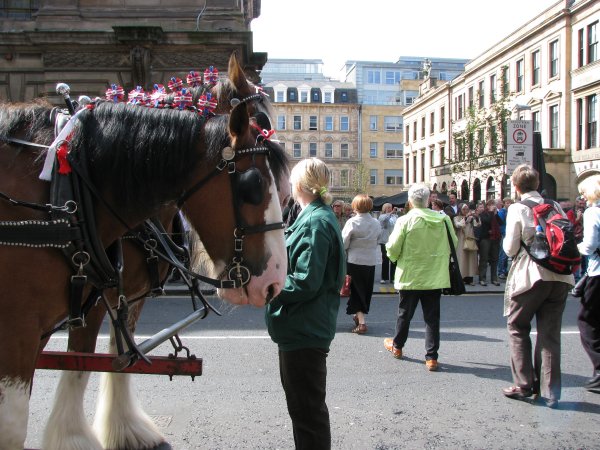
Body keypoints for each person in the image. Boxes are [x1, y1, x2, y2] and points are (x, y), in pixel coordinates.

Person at [265, 157, 346, 449]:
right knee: (305, 412)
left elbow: (306, 279)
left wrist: (269, 287)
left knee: (307, 413)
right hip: (302, 327)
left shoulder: (314, 220)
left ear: (298, 184)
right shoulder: (315, 216)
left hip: (304, 328)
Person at [502, 164, 574, 409]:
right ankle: (551, 392)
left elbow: (511, 248)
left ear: (516, 185)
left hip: (532, 275)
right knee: (550, 334)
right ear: (538, 183)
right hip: (561, 276)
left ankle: (524, 384)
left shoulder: (518, 208)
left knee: (517, 325)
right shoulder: (555, 206)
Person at [383, 183, 457, 371]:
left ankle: (398, 346)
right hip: (435, 275)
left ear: (409, 201)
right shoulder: (443, 220)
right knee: (432, 318)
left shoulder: (405, 220)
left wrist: (396, 258)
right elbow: (453, 244)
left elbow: (392, 248)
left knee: (404, 314)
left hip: (410, 274)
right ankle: (431, 357)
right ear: (428, 200)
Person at [342, 194, 382, 334]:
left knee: (356, 290)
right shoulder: (376, 223)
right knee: (365, 290)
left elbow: (344, 243)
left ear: (355, 206)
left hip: (355, 260)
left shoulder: (352, 222)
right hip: (370, 260)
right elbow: (378, 239)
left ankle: (362, 322)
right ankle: (358, 315)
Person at [575, 174, 600, 391]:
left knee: (587, 320)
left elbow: (590, 244)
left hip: (597, 272)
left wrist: (577, 248)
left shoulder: (593, 212)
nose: (582, 197)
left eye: (583, 193)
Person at [453, 203, 480, 286]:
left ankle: (470, 278)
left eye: (467, 209)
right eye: (464, 209)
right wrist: (465, 219)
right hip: (461, 240)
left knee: (471, 259)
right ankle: (461, 278)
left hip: (470, 239)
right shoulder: (456, 217)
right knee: (462, 259)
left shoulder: (471, 217)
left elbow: (478, 224)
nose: (466, 211)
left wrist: (476, 217)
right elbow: (458, 225)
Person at [478, 199, 502, 286]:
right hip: (485, 238)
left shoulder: (494, 214)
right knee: (484, 259)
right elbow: (487, 221)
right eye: (492, 205)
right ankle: (482, 278)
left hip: (495, 238)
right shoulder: (483, 214)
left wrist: (496, 214)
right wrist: (492, 212)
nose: (493, 206)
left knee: (495, 259)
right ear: (487, 206)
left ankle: (494, 278)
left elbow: (500, 222)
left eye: (494, 204)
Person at [568, 195, 588, 281]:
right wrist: (578, 219)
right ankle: (576, 279)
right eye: (580, 203)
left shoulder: (588, 211)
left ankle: (585, 277)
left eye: (583, 204)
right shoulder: (571, 212)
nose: (581, 205)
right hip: (575, 239)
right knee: (576, 260)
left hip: (585, 238)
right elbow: (569, 226)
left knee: (585, 259)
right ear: (576, 203)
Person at [377, 203, 397, 285]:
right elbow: (384, 221)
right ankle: (384, 277)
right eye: (388, 208)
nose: (389, 209)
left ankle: (393, 278)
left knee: (394, 259)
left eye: (390, 207)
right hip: (384, 240)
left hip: (393, 240)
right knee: (385, 259)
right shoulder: (382, 216)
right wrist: (391, 213)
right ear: (384, 208)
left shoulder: (395, 217)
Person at [497, 197, 514, 280]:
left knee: (507, 254)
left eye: (510, 203)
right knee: (503, 254)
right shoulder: (502, 212)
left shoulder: (510, 212)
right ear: (504, 204)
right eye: (507, 203)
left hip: (509, 234)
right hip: (504, 234)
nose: (509, 204)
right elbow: (500, 224)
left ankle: (505, 269)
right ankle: (501, 271)